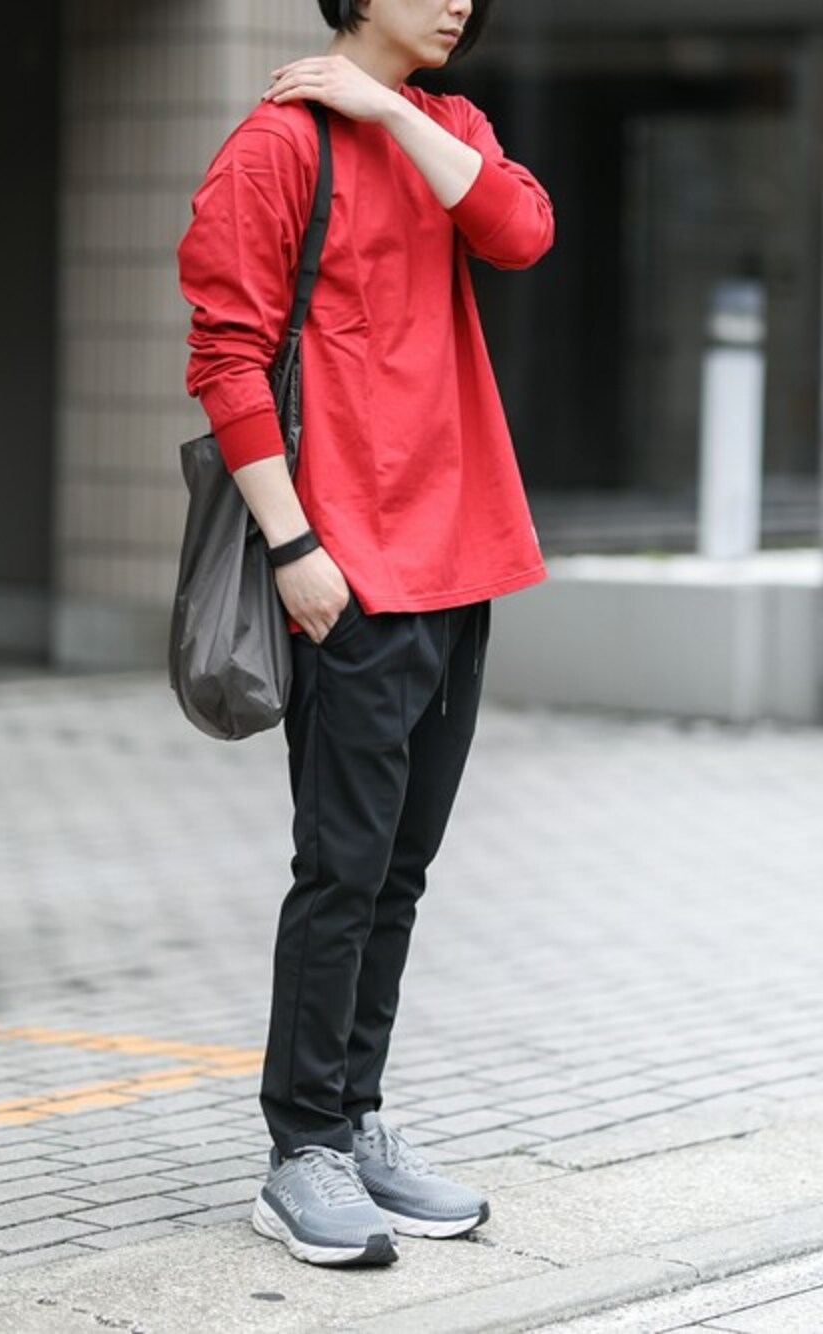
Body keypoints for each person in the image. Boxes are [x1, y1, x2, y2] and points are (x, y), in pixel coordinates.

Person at [176, 0, 555, 1269]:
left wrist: (388, 107)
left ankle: (357, 1115)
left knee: (400, 866)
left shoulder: (445, 126)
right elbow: (226, 357)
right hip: (348, 565)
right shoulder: (276, 146)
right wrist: (294, 546)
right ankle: (302, 1148)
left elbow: (520, 231)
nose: (458, 1)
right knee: (342, 865)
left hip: (459, 554)